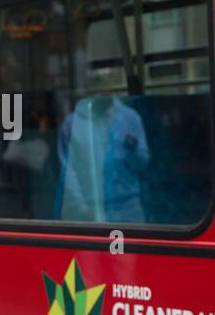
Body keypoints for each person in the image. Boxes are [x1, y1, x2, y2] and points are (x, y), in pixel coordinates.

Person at [55, 94, 151, 223]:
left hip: (128, 209)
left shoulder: (130, 118)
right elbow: (68, 173)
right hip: (90, 211)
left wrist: (133, 149)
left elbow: (142, 164)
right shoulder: (72, 123)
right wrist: (82, 209)